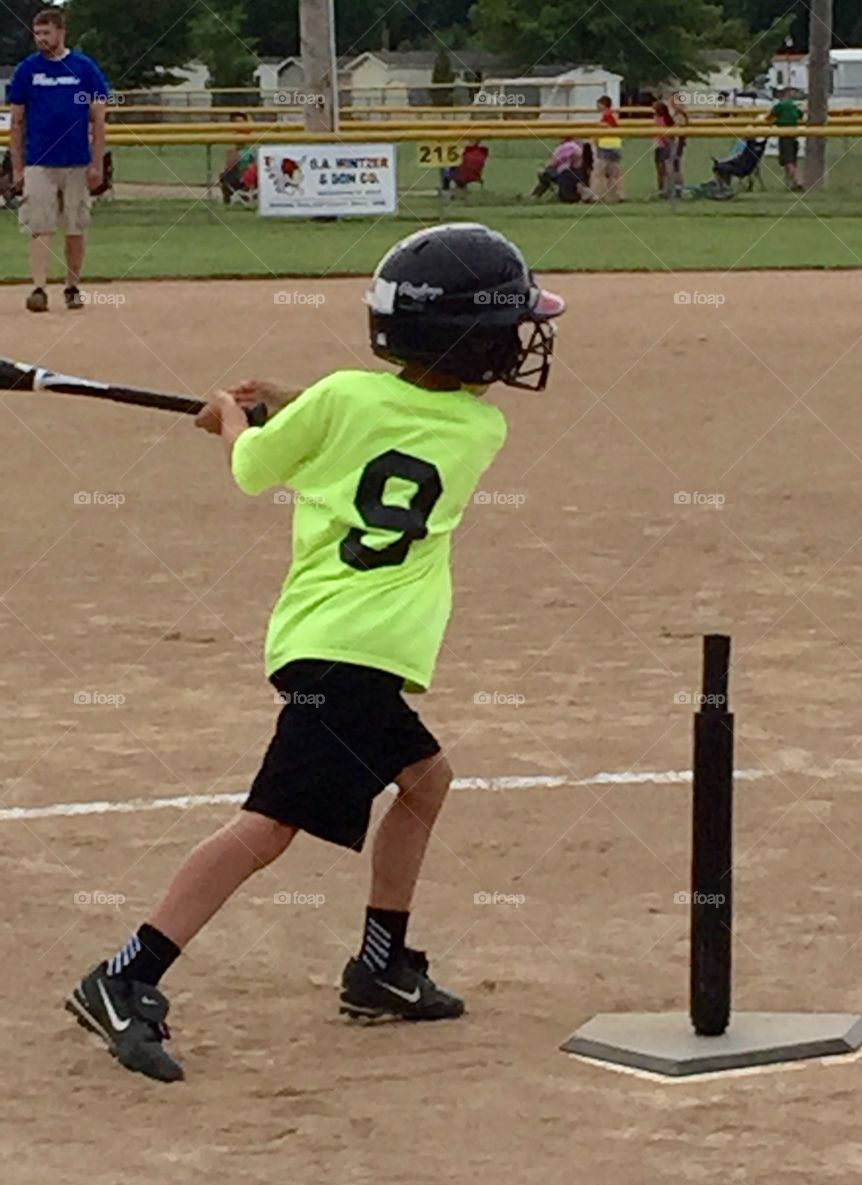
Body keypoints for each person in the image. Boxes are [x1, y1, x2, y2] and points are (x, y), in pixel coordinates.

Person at [63, 223, 567, 1084]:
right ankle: (124, 976)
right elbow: (378, 425)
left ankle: (380, 967)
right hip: (350, 655)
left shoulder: (343, 399)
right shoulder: (478, 430)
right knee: (270, 825)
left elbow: (256, 468)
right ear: (467, 344)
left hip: (331, 644)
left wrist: (229, 422)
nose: (519, 340)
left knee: (423, 780)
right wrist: (291, 408)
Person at [5, 7, 109, 313]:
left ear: (61, 32)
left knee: (75, 225)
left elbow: (99, 119)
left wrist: (97, 162)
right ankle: (38, 287)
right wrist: (18, 166)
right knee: (40, 225)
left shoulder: (84, 68)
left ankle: (72, 285)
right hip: (39, 161)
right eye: (37, 33)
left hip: (77, 160)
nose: (41, 39)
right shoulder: (28, 70)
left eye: (46, 32)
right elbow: (17, 122)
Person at [528, 137, 594, 202]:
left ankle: (533, 196)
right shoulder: (580, 145)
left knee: (544, 173)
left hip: (566, 175)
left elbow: (552, 163)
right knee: (547, 174)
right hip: (580, 175)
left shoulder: (567, 146)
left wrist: (543, 166)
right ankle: (533, 195)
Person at [768, 87, 803, 192]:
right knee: (792, 160)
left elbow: (769, 118)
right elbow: (800, 116)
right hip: (794, 135)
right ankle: (791, 183)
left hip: (784, 135)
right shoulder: (794, 106)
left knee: (788, 161)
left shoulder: (779, 106)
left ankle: (798, 181)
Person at [219, 112, 258, 204]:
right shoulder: (231, 148)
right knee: (224, 174)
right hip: (237, 175)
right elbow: (228, 165)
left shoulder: (254, 147)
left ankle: (250, 194)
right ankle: (230, 197)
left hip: (250, 176)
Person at [593, 94, 624, 202]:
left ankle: (599, 195)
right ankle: (619, 195)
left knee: (599, 173)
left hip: (605, 146)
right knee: (615, 173)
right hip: (616, 145)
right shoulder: (613, 116)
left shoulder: (607, 117)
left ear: (603, 105)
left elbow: (602, 131)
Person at [653, 96, 674, 193]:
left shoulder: (664, 119)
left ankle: (667, 187)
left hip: (663, 145)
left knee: (664, 168)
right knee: (659, 169)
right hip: (658, 145)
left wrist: (666, 142)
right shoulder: (656, 118)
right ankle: (661, 187)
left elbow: (667, 133)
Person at [670, 92, 689, 191]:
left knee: (677, 165)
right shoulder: (674, 114)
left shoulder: (681, 115)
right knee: (674, 166)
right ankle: (675, 186)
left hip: (679, 143)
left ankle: (679, 187)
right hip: (675, 143)